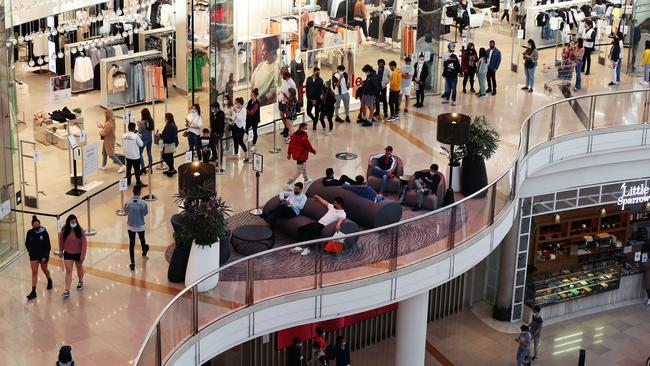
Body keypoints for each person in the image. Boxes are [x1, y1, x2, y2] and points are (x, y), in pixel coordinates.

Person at [57, 214, 87, 298]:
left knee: (79, 268)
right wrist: (60, 250)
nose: (74, 223)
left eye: (75, 222)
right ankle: (67, 290)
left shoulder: (80, 231)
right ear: (68, 222)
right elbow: (61, 241)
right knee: (68, 271)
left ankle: (80, 281)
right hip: (68, 254)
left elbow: (84, 244)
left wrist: (82, 255)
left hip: (78, 253)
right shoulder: (64, 231)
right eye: (72, 222)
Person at [25, 215, 52, 300]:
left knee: (44, 269)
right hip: (34, 256)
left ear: (40, 224)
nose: (36, 226)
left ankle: (49, 279)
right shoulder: (29, 233)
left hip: (43, 256)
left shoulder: (44, 233)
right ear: (32, 225)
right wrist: (30, 251)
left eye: (37, 224)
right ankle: (33, 291)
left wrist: (45, 256)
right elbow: (27, 244)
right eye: (35, 225)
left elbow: (48, 246)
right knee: (34, 272)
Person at [124, 184, 150, 271]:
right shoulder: (143, 203)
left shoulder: (128, 203)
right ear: (140, 192)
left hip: (130, 226)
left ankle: (132, 262)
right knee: (142, 238)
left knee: (132, 243)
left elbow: (126, 211)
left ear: (133, 192)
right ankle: (144, 251)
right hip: (140, 225)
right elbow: (145, 213)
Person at [250, 36, 281, 105]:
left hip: (264, 105)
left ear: (272, 51)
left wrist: (262, 100)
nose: (262, 53)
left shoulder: (276, 68)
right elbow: (252, 83)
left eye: (265, 50)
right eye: (262, 49)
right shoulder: (260, 65)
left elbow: (273, 90)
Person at [123, 122, 146, 187]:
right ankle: (138, 182)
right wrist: (139, 136)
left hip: (128, 155)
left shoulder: (124, 135)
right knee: (137, 170)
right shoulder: (136, 136)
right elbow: (141, 144)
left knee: (128, 169)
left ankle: (128, 181)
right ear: (134, 128)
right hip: (135, 156)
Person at [280, 68, 297, 138]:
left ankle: (288, 133)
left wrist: (287, 99)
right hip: (282, 100)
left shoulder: (292, 83)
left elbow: (294, 94)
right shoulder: (284, 80)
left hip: (288, 103)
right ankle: (286, 129)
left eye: (282, 74)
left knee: (289, 121)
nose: (281, 76)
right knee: (281, 115)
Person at [138, 107, 154, 174]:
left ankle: (143, 167)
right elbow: (152, 129)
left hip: (143, 139)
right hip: (150, 138)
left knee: (139, 153)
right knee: (149, 152)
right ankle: (150, 167)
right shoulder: (151, 120)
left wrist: (138, 125)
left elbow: (139, 132)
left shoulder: (141, 123)